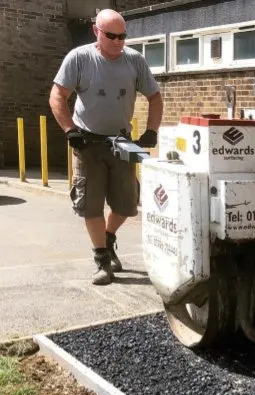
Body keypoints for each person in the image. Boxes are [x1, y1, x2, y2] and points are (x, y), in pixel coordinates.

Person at [49, 9, 163, 285]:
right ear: (95, 31)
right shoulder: (79, 58)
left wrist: (151, 130)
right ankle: (101, 259)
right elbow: (57, 96)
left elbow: (155, 97)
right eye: (111, 36)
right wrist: (70, 131)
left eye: (123, 36)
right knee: (91, 205)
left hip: (121, 141)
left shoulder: (135, 60)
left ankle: (108, 237)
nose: (118, 41)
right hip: (87, 141)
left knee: (128, 203)